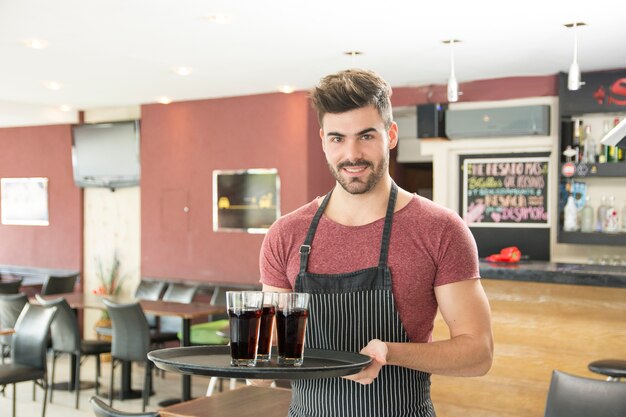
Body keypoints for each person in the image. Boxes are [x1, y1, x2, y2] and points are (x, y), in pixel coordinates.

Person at [260, 69, 493, 417]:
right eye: (338, 138)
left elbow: (478, 353)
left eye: (366, 136)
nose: (352, 154)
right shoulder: (286, 234)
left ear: (391, 135)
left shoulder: (441, 229)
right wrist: (256, 365)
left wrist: (390, 352)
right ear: (323, 139)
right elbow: (267, 347)